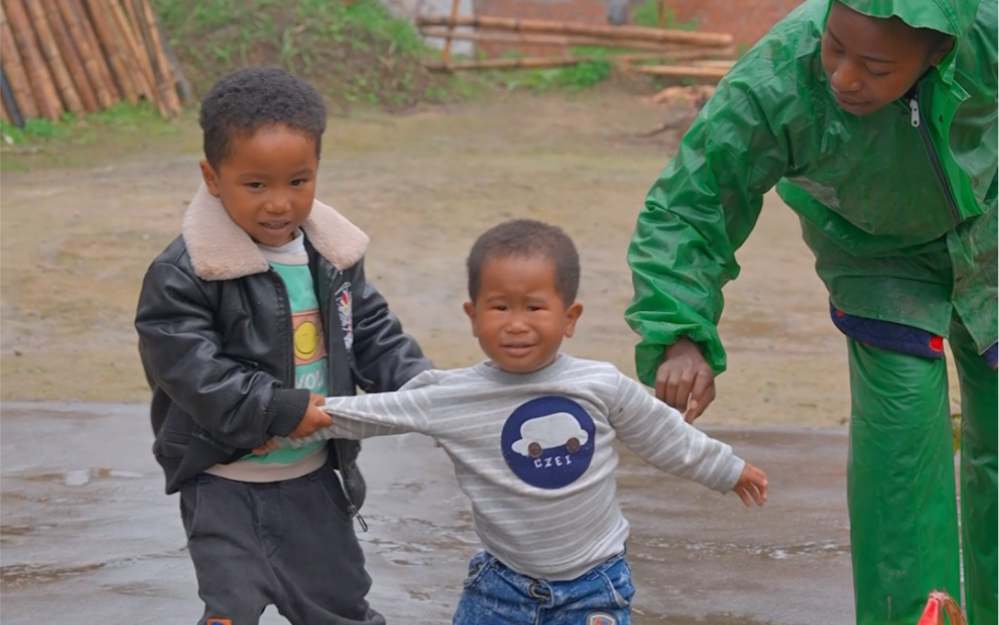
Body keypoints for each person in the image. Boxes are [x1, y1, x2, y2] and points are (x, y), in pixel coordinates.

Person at [624, 0, 997, 623]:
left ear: (939, 53)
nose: (845, 78)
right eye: (835, 46)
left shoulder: (985, 31)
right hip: (876, 253)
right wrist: (681, 331)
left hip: (991, 228)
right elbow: (694, 199)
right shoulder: (778, 79)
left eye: (877, 67)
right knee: (901, 448)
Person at [259, 219, 769, 625]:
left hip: (595, 583)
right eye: (499, 307)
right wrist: (285, 422)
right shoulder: (451, 395)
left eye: (535, 307)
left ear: (570, 317)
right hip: (500, 588)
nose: (517, 323)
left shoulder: (599, 385)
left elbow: (665, 433)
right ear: (473, 314)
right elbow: (373, 413)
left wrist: (727, 469)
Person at [134, 67, 429, 625]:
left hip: (315, 475)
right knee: (231, 610)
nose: (279, 203)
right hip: (224, 479)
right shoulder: (185, 272)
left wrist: (421, 386)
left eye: (298, 181)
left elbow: (368, 329)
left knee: (339, 606)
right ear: (212, 176)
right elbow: (190, 368)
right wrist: (275, 407)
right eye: (256, 184)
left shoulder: (333, 255)